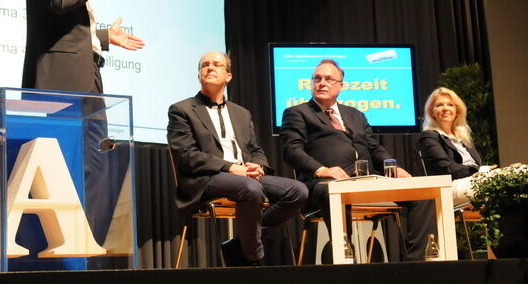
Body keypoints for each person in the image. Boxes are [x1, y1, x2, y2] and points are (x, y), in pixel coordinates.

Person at [280, 59, 436, 261]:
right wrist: (322, 170)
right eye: (317, 78)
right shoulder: (298, 113)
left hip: (366, 181)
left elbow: (374, 147)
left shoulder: (355, 114)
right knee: (330, 190)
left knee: (422, 193)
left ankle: (417, 261)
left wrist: (393, 167)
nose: (321, 83)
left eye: (329, 79)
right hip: (323, 184)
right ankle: (345, 256)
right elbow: (292, 151)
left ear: (341, 85)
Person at [168, 51, 306, 266]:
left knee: (297, 191)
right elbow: (187, 156)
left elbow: (255, 149)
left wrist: (258, 165)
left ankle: (241, 244)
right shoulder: (182, 110)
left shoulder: (241, 113)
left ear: (228, 76)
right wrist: (231, 168)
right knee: (250, 189)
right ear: (199, 75)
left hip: (244, 175)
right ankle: (252, 258)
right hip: (207, 178)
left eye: (216, 64)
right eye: (205, 65)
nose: (210, 68)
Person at [418, 87, 484, 206]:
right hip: (450, 187)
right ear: (431, 112)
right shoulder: (429, 136)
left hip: (473, 181)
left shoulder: (463, 137)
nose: (445, 108)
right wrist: (477, 171)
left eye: (450, 105)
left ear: (457, 111)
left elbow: (477, 163)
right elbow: (445, 168)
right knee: (499, 187)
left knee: (517, 174)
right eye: (439, 105)